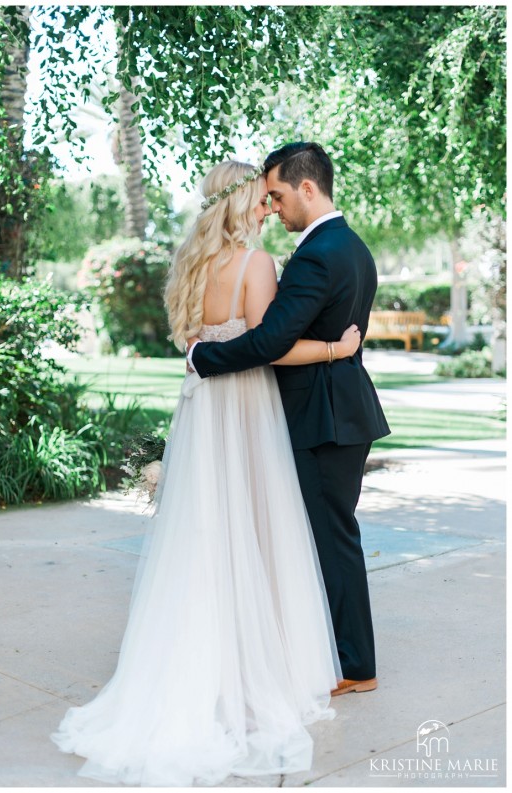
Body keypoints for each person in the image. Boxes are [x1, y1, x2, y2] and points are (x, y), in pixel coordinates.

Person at [51, 160, 362, 787]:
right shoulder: (255, 265)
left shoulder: (192, 265)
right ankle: (250, 666)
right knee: (254, 526)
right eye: (263, 200)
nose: (269, 209)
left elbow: (196, 344)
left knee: (202, 530)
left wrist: (207, 355)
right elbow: (270, 345)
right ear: (244, 203)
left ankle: (193, 659)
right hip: (244, 405)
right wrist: (338, 348)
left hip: (200, 408)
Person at [189, 143, 391, 695]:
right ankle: (337, 655)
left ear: (307, 188)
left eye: (277, 196)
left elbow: (271, 341)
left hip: (322, 417)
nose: (273, 207)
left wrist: (203, 358)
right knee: (330, 535)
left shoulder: (318, 255)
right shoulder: (351, 246)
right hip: (341, 411)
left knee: (332, 538)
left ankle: (355, 666)